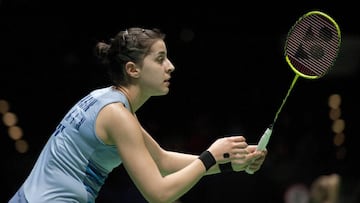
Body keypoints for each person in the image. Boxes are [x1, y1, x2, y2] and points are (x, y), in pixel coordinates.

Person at [8, 27, 267, 203]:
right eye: (160, 59)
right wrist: (209, 157)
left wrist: (228, 163)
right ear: (133, 69)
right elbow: (158, 193)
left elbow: (162, 162)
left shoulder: (106, 101)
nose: (171, 66)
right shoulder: (116, 115)